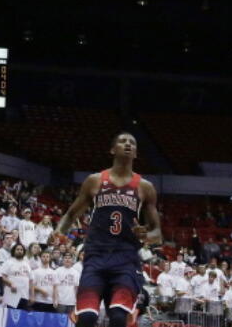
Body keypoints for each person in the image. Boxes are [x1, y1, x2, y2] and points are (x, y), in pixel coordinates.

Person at [58, 133, 162, 327]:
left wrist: (147, 235)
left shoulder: (145, 187)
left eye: (132, 142)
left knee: (117, 317)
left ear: (136, 153)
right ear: (113, 150)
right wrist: (58, 232)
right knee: (87, 318)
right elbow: (71, 215)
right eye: (123, 141)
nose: (128, 144)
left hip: (125, 259)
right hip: (96, 256)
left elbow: (158, 233)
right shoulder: (95, 181)